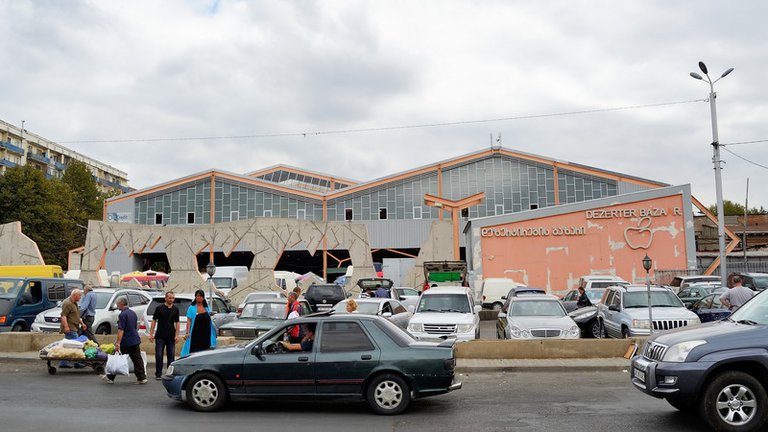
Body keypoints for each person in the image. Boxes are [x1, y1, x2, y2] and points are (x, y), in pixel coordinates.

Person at [102, 296, 147, 384]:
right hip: (134, 339)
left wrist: (118, 342)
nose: (117, 306)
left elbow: (121, 329)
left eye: (118, 304)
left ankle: (110, 377)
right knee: (137, 359)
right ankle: (142, 378)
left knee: (116, 356)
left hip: (126, 341)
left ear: (121, 304)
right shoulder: (132, 313)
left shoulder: (122, 315)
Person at [148, 291, 180, 380]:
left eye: (173, 298)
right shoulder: (159, 308)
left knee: (171, 355)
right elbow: (154, 321)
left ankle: (170, 373)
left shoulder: (176, 309)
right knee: (159, 355)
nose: (171, 300)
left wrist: (177, 335)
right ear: (165, 298)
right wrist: (151, 334)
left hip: (171, 336)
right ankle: (158, 373)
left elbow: (177, 322)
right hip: (160, 336)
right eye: (170, 298)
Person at [181, 290, 217, 356]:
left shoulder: (206, 307)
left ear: (203, 298)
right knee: (194, 351)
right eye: (197, 296)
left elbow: (209, 317)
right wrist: (187, 332)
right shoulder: (191, 308)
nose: (199, 298)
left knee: (206, 351)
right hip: (196, 334)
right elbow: (189, 321)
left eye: (200, 296)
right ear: (195, 297)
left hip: (206, 334)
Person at [60, 289, 86, 369]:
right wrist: (66, 326)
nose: (80, 297)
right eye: (79, 295)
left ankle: (63, 362)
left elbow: (76, 316)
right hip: (70, 328)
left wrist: (82, 323)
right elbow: (63, 315)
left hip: (74, 327)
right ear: (75, 295)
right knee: (77, 345)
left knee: (68, 346)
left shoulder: (74, 303)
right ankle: (77, 363)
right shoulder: (67, 303)